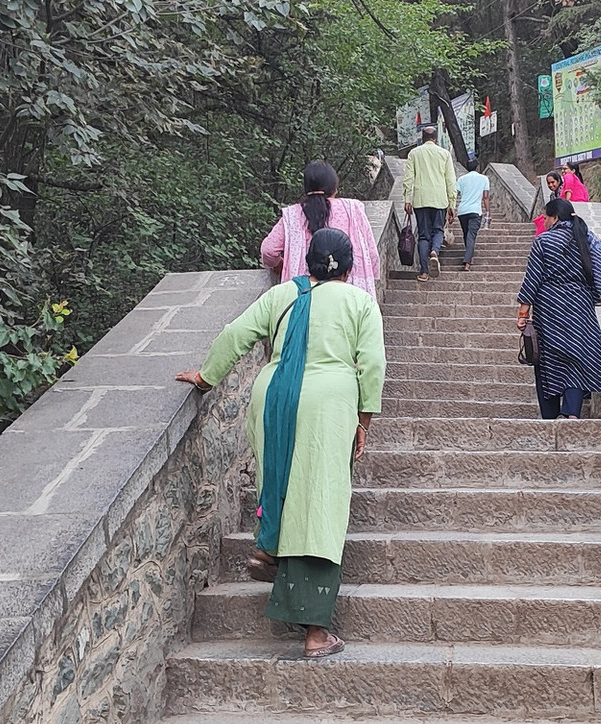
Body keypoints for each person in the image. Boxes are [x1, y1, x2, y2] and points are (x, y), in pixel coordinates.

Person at [176, 228, 386, 658]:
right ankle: (314, 633)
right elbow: (373, 364)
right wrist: (363, 422)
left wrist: (206, 376)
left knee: (281, 481)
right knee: (320, 504)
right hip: (328, 404)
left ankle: (269, 548)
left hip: (273, 399)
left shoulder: (282, 296)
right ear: (348, 268)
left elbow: (236, 334)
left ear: (307, 262)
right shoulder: (360, 301)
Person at [517, 198, 601, 420]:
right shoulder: (587, 239)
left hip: (550, 307)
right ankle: (571, 412)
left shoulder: (543, 242)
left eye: (546, 218)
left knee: (548, 358)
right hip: (580, 306)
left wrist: (523, 314)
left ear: (555, 218)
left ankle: (550, 416)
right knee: (578, 356)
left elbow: (531, 281)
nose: (545, 222)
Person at [261, 161, 380, 299]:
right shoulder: (352, 209)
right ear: (334, 186)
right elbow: (372, 254)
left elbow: (268, 250)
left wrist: (281, 266)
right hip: (348, 291)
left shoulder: (293, 215)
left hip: (304, 293)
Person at [403, 125, 457, 282]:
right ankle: (434, 251)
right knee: (438, 231)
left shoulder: (414, 153)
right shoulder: (444, 154)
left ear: (422, 138)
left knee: (423, 236)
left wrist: (407, 199)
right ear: (436, 138)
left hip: (420, 200)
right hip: (440, 199)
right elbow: (450, 180)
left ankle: (424, 272)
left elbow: (408, 178)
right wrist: (452, 204)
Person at [454, 158, 490, 271]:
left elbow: (455, 194)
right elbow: (485, 197)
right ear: (477, 167)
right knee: (471, 235)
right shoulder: (484, 179)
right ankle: (467, 262)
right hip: (475, 211)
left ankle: (468, 255)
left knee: (466, 234)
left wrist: (451, 209)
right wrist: (488, 212)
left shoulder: (461, 179)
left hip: (462, 211)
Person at [534, 171, 563, 236]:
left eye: (553, 182)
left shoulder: (562, 191)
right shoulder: (552, 195)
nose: (550, 185)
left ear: (558, 181)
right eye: (548, 183)